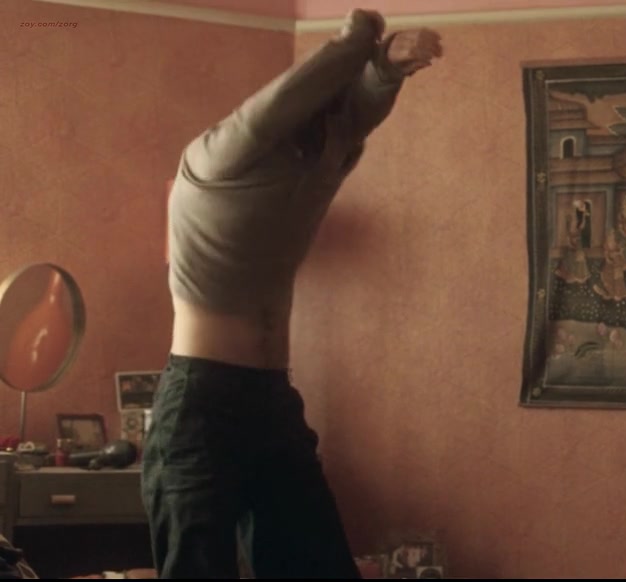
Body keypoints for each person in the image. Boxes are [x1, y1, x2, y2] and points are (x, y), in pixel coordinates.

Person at [141, 9, 443, 579]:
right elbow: (282, 103)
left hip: (272, 400)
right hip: (200, 401)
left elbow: (354, 118)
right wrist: (360, 37)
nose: (318, 134)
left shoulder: (305, 167)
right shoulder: (212, 159)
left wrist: (388, 68)